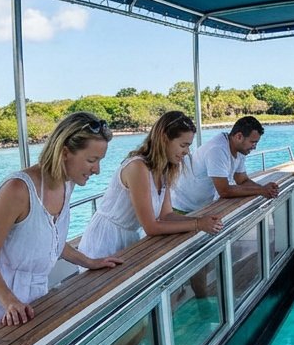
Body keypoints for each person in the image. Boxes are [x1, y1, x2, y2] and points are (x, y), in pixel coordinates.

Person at [0, 111, 120, 338]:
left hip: (33, 306)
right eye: (92, 160)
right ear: (65, 152)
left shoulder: (67, 184)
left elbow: (53, 241)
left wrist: (89, 261)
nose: (97, 170)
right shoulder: (18, 190)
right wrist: (10, 302)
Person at [78, 110, 223, 262]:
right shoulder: (138, 167)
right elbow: (151, 227)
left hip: (129, 237)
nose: (186, 151)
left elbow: (166, 215)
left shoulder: (164, 169)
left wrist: (202, 220)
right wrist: (197, 224)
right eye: (183, 145)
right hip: (104, 239)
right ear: (164, 139)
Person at [171, 115, 279, 213]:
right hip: (181, 208)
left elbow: (242, 180)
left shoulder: (239, 150)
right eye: (253, 142)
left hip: (200, 207)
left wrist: (267, 190)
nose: (254, 147)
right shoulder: (217, 149)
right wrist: (261, 190)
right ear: (239, 136)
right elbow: (224, 190)